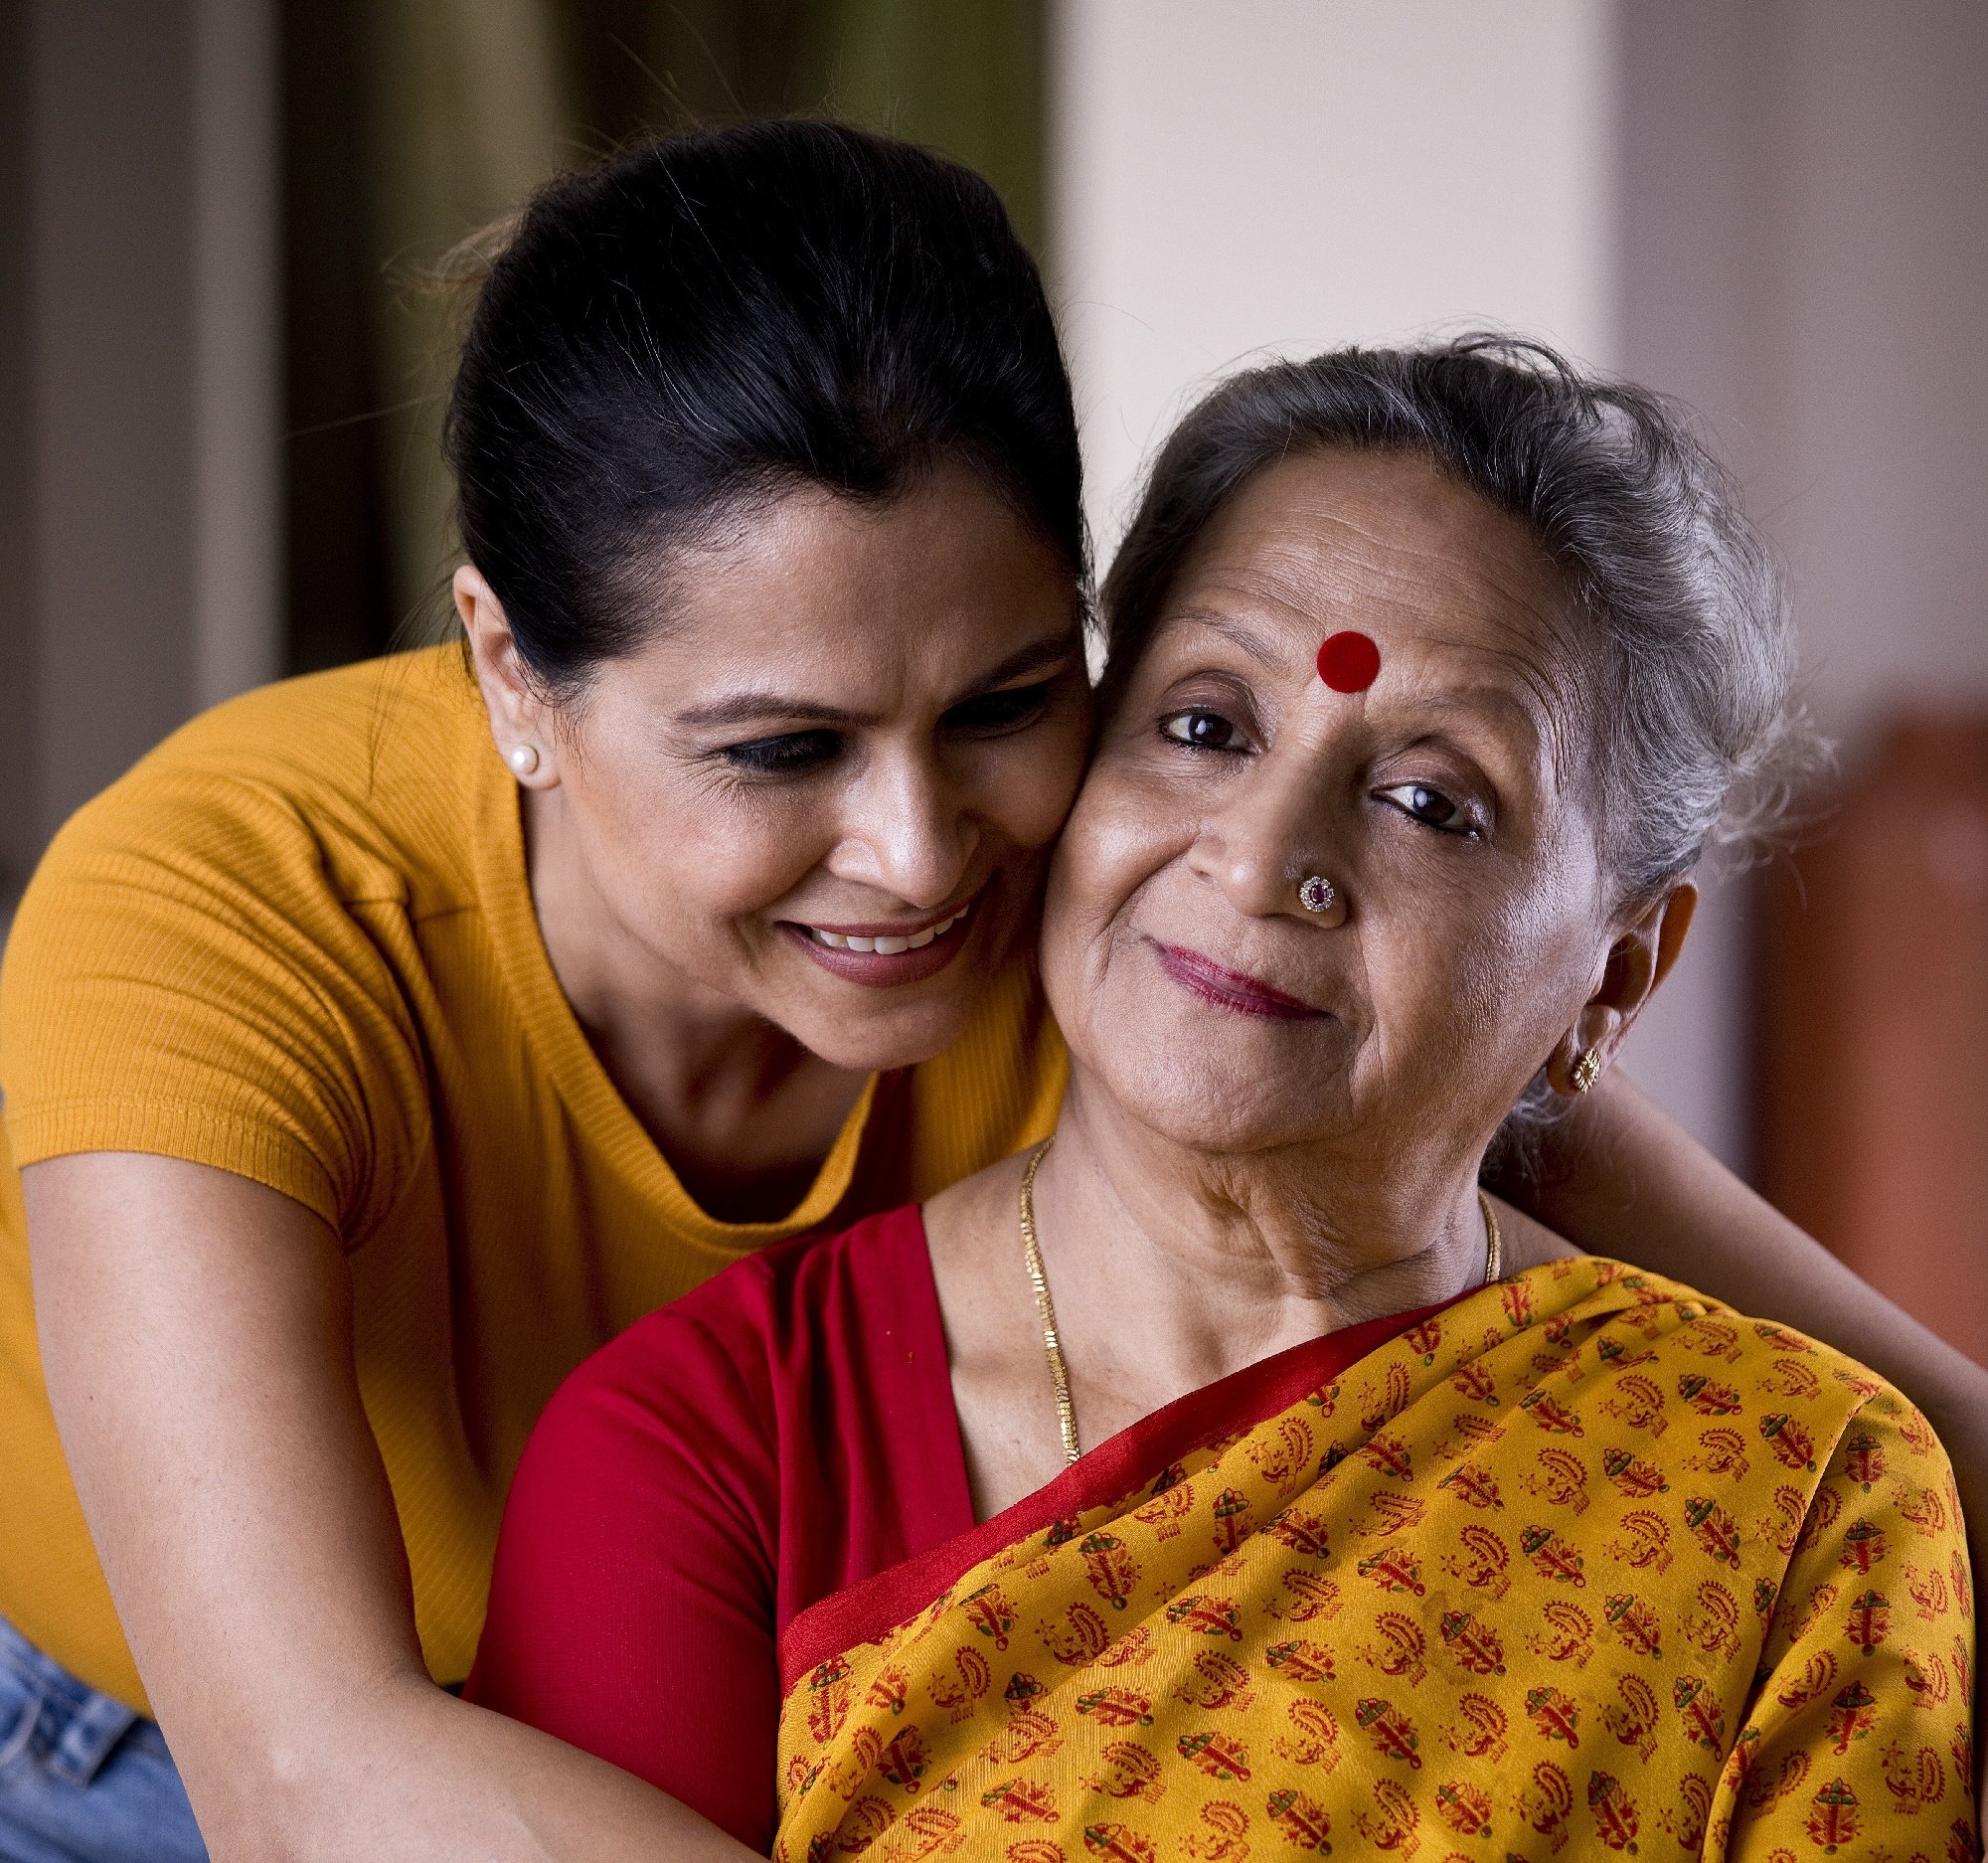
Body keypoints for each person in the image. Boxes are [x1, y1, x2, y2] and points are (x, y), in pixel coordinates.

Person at [0, 121, 1979, 1861]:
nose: (923, 853)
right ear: (513, 672)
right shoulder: (224, 923)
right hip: (156, 1748)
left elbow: (1810, 1359)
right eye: (780, 749)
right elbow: (305, 1775)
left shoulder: (1171, 921)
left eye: (1007, 704)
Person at [471, 340, 1979, 1861]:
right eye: (1206, 726)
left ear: (1618, 972)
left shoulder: (1790, 1492)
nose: (1261, 858)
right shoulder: (717, 1452)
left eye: (1430, 802)